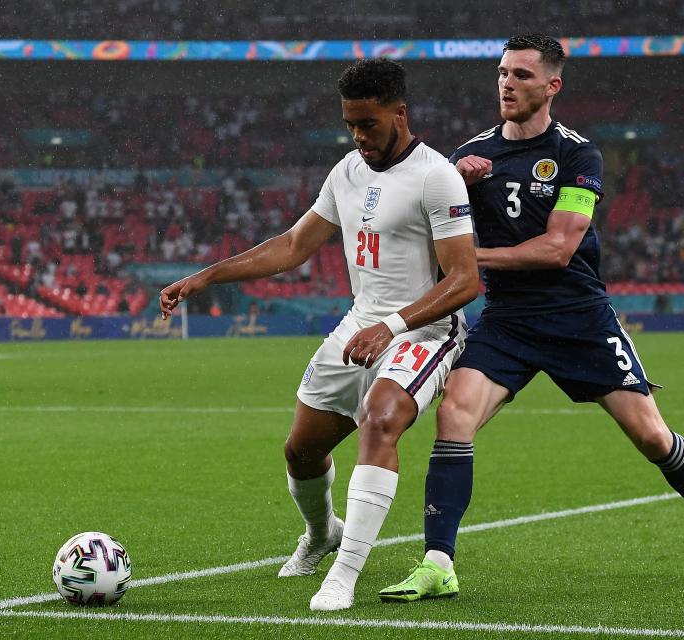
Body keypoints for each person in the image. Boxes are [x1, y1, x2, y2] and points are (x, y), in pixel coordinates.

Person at [376, 34, 684, 603]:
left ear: (552, 85)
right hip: (508, 319)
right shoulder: (470, 154)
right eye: (502, 73)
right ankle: (439, 561)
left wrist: (468, 257)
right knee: (454, 416)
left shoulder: (578, 155)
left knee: (652, 436)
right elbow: (419, 222)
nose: (507, 84)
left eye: (522, 76)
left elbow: (558, 248)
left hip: (578, 316)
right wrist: (455, 187)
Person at [158, 58, 479, 611]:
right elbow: (291, 246)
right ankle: (322, 534)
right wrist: (206, 276)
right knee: (301, 451)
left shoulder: (436, 176)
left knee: (379, 421)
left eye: (369, 124)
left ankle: (345, 574)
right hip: (360, 326)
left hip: (425, 331)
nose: (358, 136)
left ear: (400, 113)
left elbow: (466, 278)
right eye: (350, 124)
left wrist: (394, 325)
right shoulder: (347, 170)